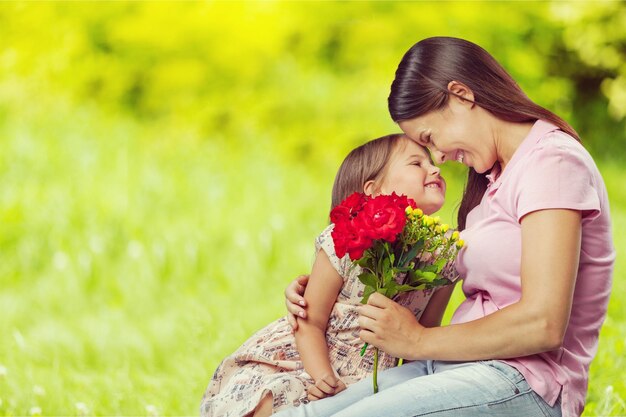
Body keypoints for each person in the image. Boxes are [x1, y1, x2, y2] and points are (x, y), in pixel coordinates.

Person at [279, 37, 615, 417]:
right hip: (455, 368)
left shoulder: (552, 162)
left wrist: (419, 340)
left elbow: (543, 322)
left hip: (524, 382)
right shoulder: (495, 181)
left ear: (461, 95)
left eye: (429, 138)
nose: (438, 157)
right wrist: (322, 286)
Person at [200, 133, 458, 417]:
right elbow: (309, 322)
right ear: (373, 191)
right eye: (416, 163)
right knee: (276, 399)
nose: (435, 168)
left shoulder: (443, 253)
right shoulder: (346, 240)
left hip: (371, 378)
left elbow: (424, 335)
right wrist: (323, 379)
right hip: (306, 361)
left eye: (431, 162)